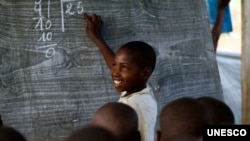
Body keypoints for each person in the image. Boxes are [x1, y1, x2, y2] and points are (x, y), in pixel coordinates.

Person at [83, 13, 157, 141]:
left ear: (145, 73)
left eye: (123, 67)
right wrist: (98, 38)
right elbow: (119, 65)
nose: (114, 72)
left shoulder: (133, 104)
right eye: (114, 65)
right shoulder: (141, 89)